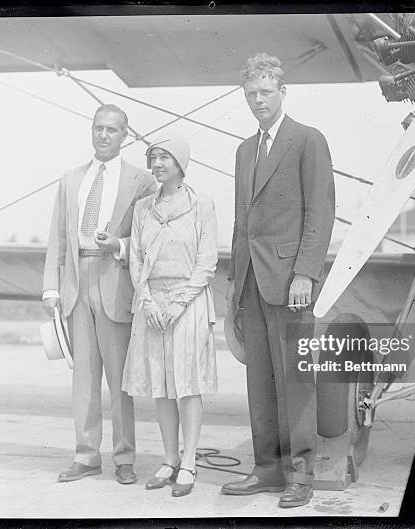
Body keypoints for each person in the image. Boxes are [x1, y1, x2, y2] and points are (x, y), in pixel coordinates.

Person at [221, 53, 335, 508]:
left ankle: (300, 474)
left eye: (266, 92)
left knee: (295, 381)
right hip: (251, 281)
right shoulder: (244, 150)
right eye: (251, 94)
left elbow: (321, 212)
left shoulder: (307, 140)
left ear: (282, 93)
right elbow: (240, 223)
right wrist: (233, 281)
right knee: (261, 383)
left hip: (291, 281)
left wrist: (305, 272)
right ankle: (266, 468)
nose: (258, 101)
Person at [42, 104, 157, 484]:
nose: (104, 135)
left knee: (120, 379)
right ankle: (87, 456)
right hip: (77, 282)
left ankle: (124, 458)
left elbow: (147, 237)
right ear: (91, 132)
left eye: (112, 129)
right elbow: (58, 237)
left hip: (115, 279)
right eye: (98, 128)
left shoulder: (141, 181)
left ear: (125, 135)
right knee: (84, 379)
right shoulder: (71, 179)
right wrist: (50, 287)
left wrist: (118, 246)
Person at [122, 134, 218, 498]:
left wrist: (178, 304)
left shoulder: (202, 205)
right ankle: (169, 459)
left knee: (186, 384)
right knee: (160, 384)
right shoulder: (143, 207)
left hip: (187, 305)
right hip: (151, 305)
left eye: (165, 157)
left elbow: (207, 262)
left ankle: (190, 461)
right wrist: (146, 301)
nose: (158, 163)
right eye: (154, 157)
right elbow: (135, 258)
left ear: (181, 164)